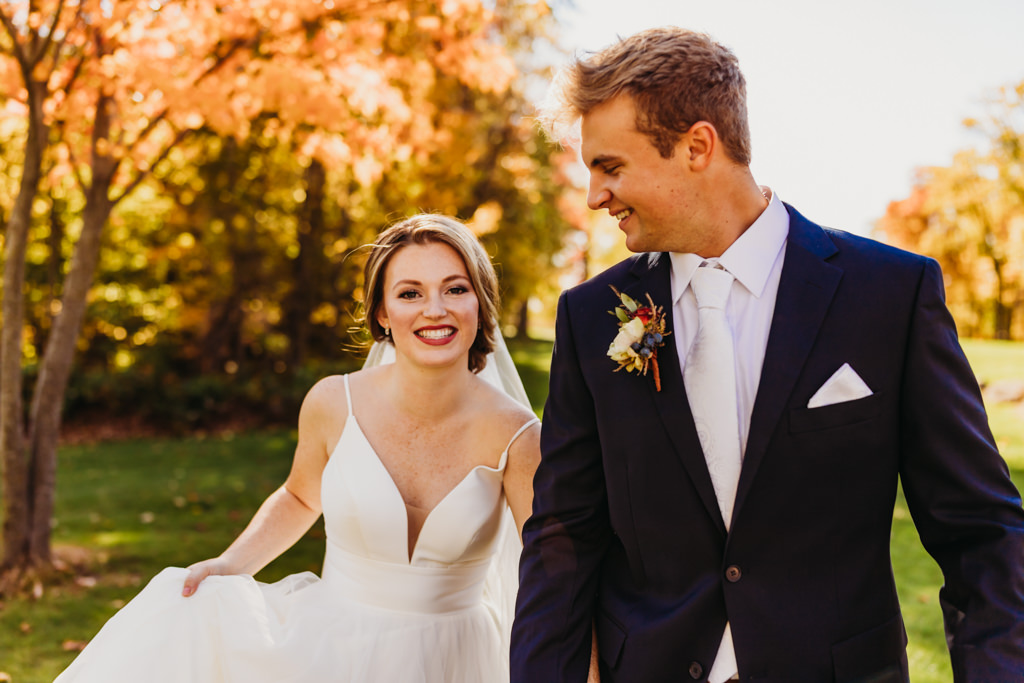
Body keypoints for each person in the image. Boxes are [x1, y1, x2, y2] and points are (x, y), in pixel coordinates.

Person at [511, 26, 1024, 683]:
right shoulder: (591, 318)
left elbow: (980, 530)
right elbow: (564, 538)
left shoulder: (889, 296)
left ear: (698, 146)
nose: (594, 195)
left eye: (610, 166)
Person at [55, 214, 542, 683]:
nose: (434, 309)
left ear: (480, 303)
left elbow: (549, 566)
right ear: (382, 313)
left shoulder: (518, 435)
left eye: (455, 289)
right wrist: (230, 565)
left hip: (459, 661)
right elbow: (300, 497)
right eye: (410, 293)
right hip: (333, 651)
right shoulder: (334, 403)